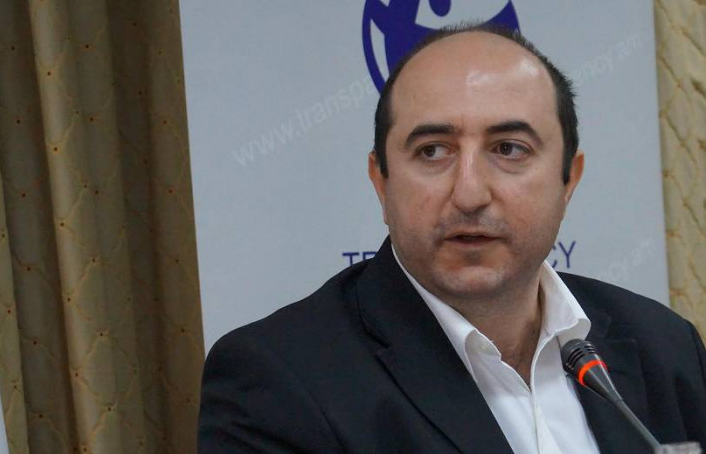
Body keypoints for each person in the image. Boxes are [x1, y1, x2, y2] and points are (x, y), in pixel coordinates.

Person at [198, 23, 706, 453]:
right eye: (432, 151)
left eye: (508, 149)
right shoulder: (278, 380)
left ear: (568, 180)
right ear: (381, 182)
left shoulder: (664, 345)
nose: (469, 194)